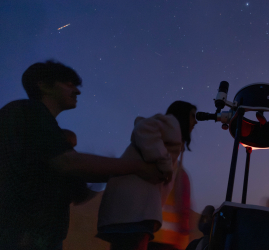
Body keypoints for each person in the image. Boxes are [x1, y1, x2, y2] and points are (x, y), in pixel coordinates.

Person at [0, 60, 165, 250]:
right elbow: (68, 162)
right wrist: (139, 167)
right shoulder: (28, 110)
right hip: (21, 237)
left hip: (41, 238)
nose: (77, 91)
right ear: (44, 84)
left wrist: (100, 173)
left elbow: (76, 191)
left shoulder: (44, 130)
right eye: (69, 84)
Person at [97, 101, 197, 250]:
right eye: (193, 116)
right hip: (134, 212)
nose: (196, 121)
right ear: (182, 115)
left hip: (135, 213)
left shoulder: (171, 140)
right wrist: (164, 162)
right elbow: (143, 127)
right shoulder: (171, 123)